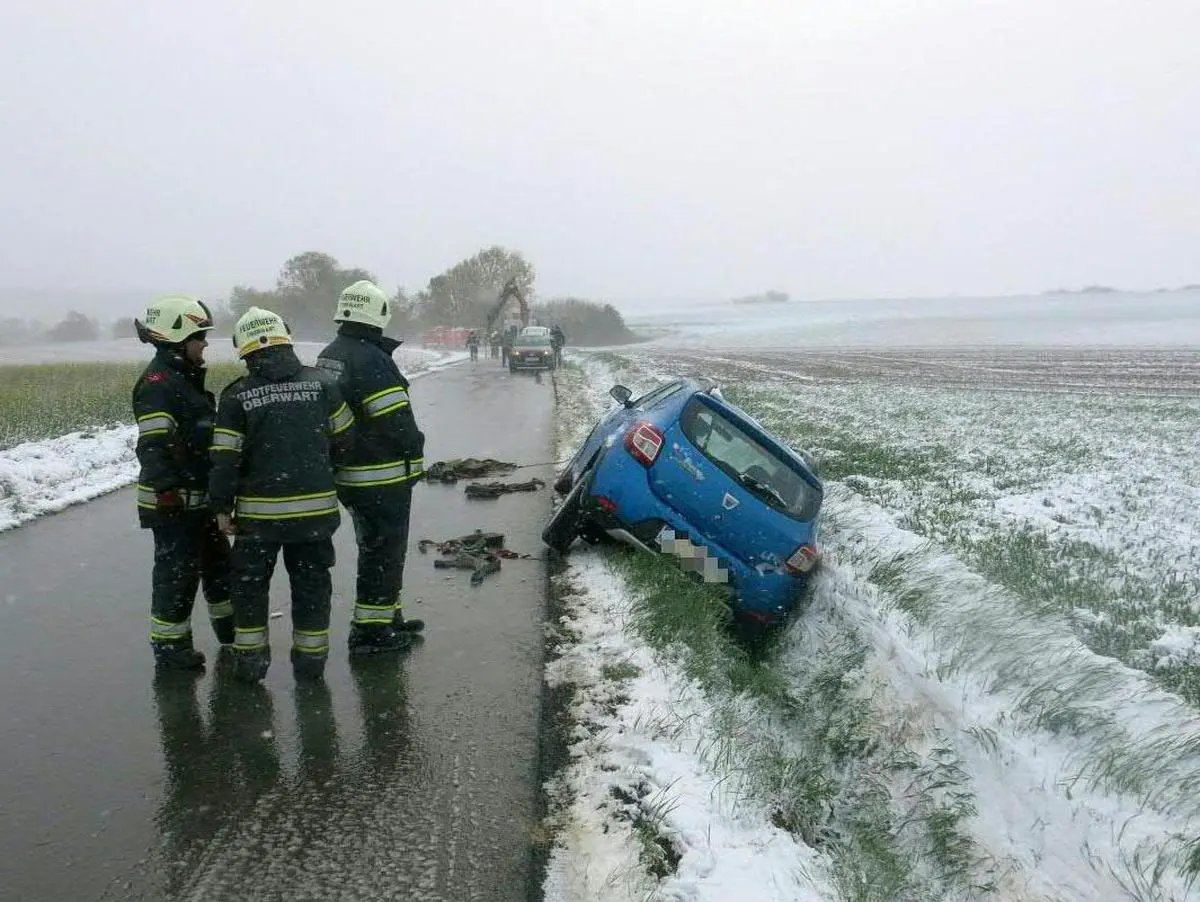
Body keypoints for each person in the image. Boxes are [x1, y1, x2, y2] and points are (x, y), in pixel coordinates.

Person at [209, 307, 356, 683]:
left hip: (258, 523)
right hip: (315, 519)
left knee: (249, 590)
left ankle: (251, 665)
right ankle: (310, 666)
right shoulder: (323, 385)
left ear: (244, 349)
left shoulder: (236, 397)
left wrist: (222, 508)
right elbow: (346, 441)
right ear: (286, 340)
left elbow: (224, 460)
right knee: (312, 588)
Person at [316, 280, 427, 651]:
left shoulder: (331, 353)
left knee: (376, 548)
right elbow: (395, 420)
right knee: (385, 551)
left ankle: (387, 619)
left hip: (351, 474)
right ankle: (371, 633)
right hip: (380, 474)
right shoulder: (370, 359)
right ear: (378, 314)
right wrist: (416, 446)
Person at [132, 295, 232, 670]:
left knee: (220, 568)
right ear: (178, 338)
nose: (205, 343)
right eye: (200, 336)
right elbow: (153, 443)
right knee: (177, 577)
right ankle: (171, 652)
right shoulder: (160, 383)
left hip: (197, 501)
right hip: (173, 504)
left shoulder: (181, 378)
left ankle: (231, 633)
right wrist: (167, 491)